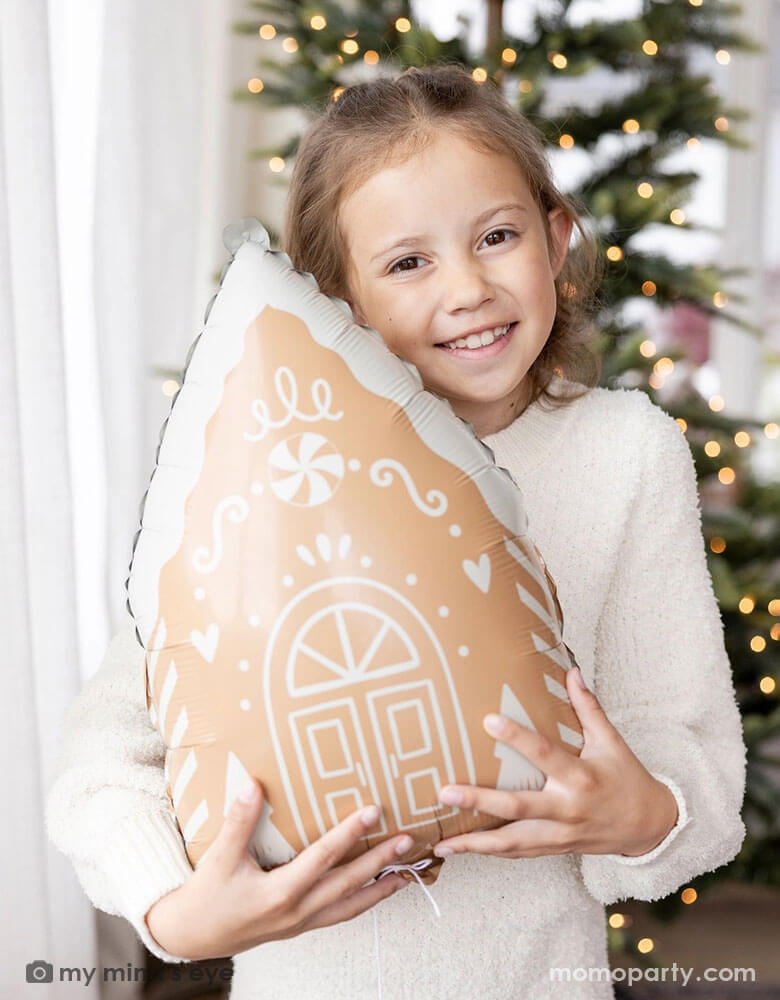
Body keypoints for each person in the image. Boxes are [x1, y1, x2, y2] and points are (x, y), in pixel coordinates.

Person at [46, 63, 747, 999]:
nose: (467, 290)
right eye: (408, 262)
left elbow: (690, 750)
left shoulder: (627, 454)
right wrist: (174, 911)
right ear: (337, 297)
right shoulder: (259, 472)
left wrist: (644, 814)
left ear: (556, 236)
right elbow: (105, 751)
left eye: (496, 237)